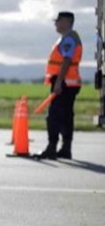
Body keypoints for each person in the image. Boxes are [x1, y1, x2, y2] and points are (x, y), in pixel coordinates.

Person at [37, 11, 82, 160]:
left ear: (66, 22)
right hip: (69, 83)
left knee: (54, 117)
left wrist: (58, 82)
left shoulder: (69, 39)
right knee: (66, 117)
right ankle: (65, 149)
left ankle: (52, 148)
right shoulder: (68, 38)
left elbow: (66, 61)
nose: (56, 24)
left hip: (64, 83)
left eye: (58, 21)